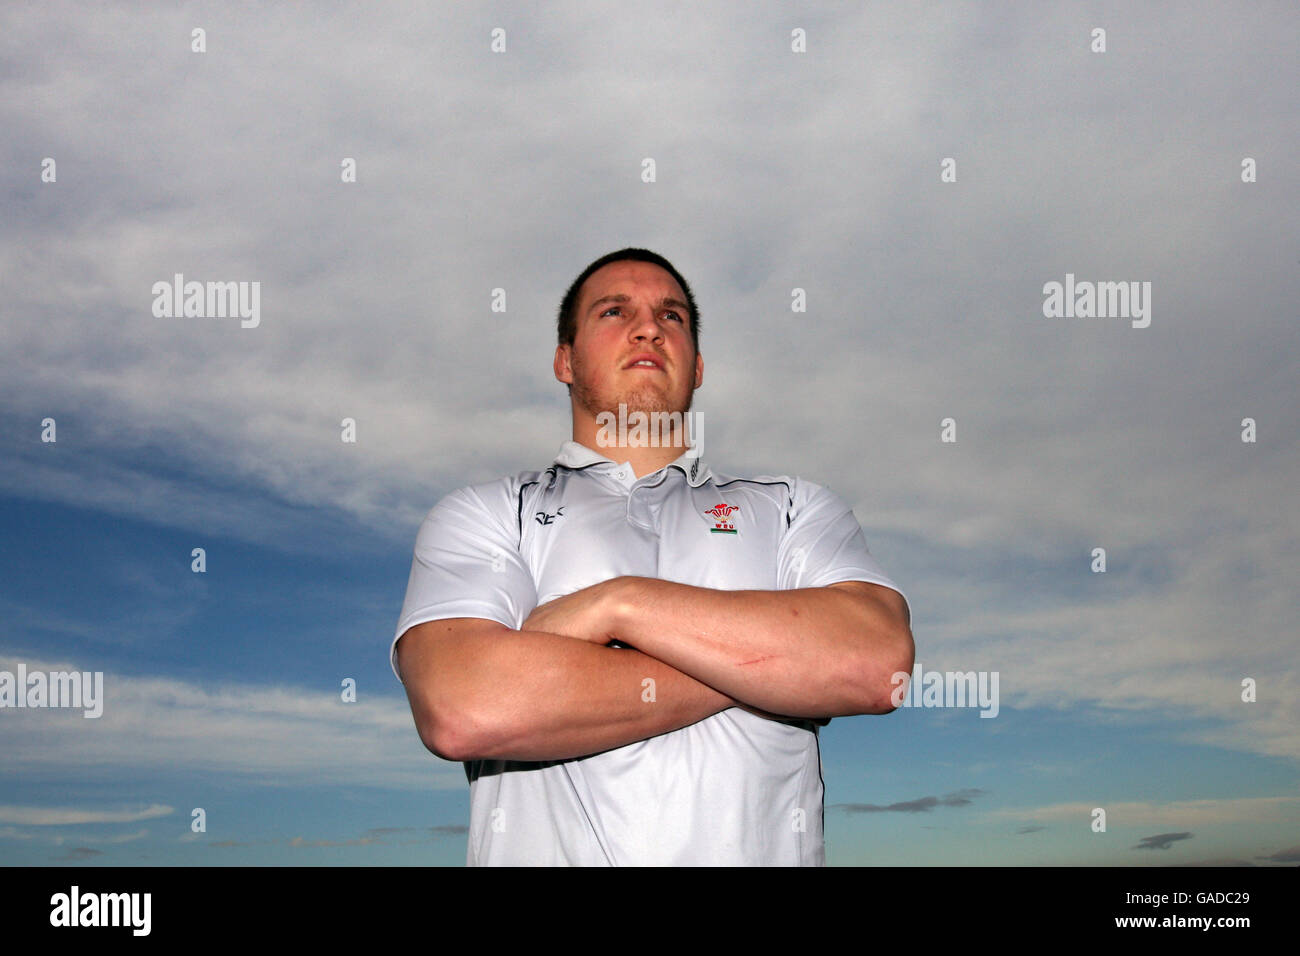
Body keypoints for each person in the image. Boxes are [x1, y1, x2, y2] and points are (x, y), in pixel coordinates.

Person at [391, 247, 914, 865]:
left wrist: (619, 604)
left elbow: (876, 666)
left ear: (697, 368)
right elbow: (466, 707)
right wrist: (777, 671)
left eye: (673, 317)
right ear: (565, 360)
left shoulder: (795, 509)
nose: (648, 327)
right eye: (614, 311)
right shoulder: (486, 514)